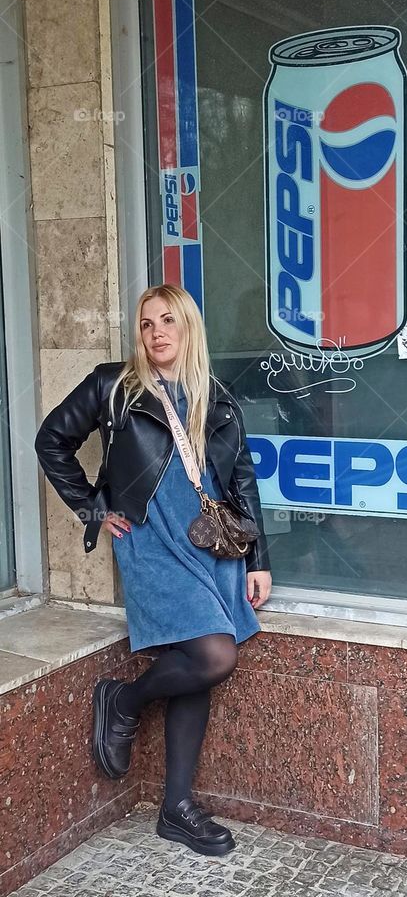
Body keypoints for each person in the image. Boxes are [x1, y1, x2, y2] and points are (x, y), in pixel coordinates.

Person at [34, 283, 272, 858]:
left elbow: (240, 479)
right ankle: (125, 701)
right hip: (152, 538)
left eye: (168, 321)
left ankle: (177, 808)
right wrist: (93, 506)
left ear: (188, 328)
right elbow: (52, 441)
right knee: (215, 655)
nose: (156, 332)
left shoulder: (216, 396)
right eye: (146, 324)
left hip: (211, 546)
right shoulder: (112, 386)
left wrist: (258, 560)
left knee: (196, 660)